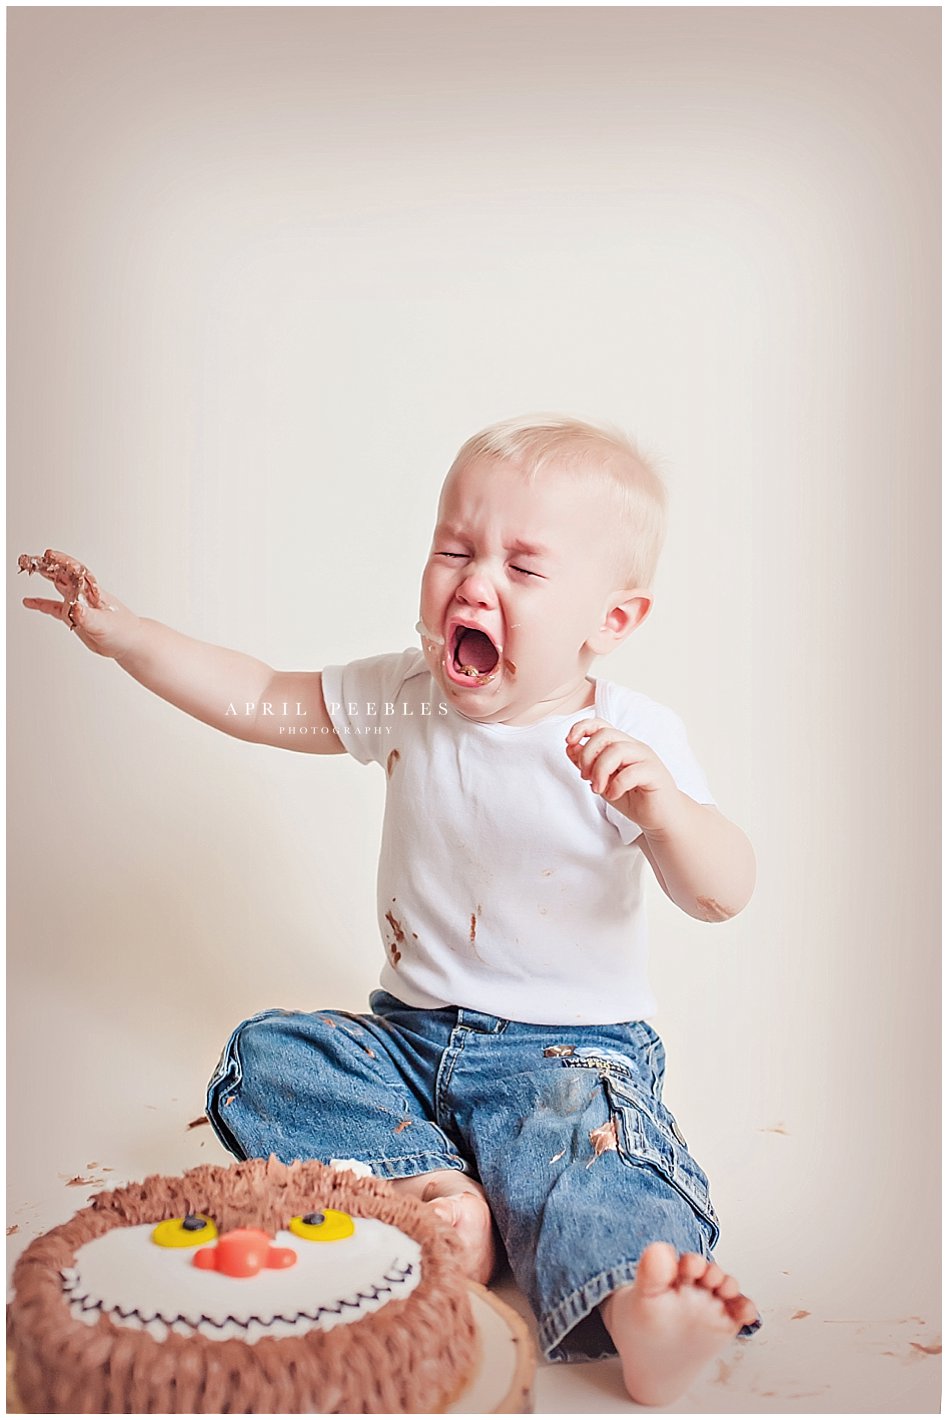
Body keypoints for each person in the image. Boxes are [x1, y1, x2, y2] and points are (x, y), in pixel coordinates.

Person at [20, 414, 761, 1405]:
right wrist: (125, 637)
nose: (474, 579)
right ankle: (440, 1192)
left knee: (586, 1159)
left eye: (523, 568)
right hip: (407, 1043)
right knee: (270, 1053)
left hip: (563, 1057)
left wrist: (666, 812)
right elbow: (258, 696)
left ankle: (639, 1310)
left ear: (612, 620)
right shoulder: (408, 695)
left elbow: (724, 888)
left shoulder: (630, 739)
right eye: (454, 548)